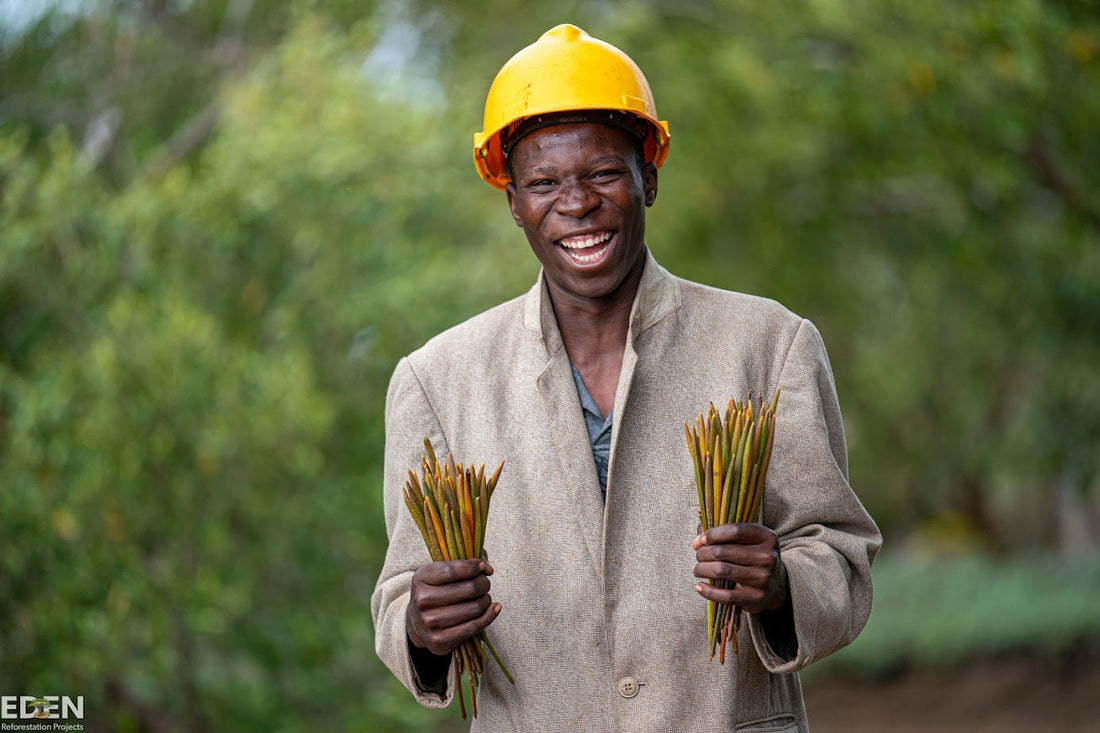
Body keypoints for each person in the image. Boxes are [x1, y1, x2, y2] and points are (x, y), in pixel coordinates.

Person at [372, 23, 881, 732]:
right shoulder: (437, 380)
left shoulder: (768, 344)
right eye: (544, 182)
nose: (576, 203)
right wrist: (422, 631)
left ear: (649, 176)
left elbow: (842, 556)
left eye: (603, 173)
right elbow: (400, 597)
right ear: (512, 200)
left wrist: (784, 585)